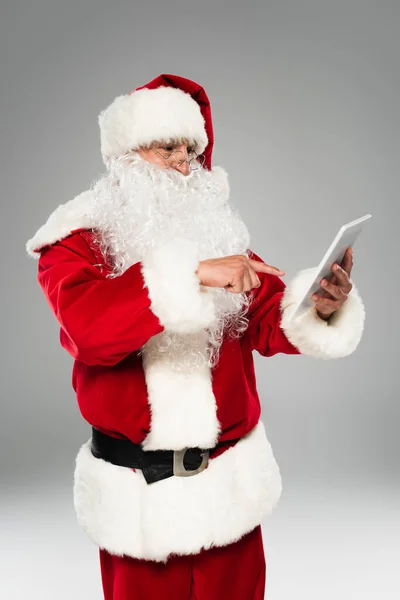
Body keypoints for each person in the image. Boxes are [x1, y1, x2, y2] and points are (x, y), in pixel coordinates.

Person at [26, 73, 366, 599]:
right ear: (125, 156)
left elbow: (266, 316)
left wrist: (317, 306)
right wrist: (189, 274)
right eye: (168, 148)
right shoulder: (73, 243)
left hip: (230, 492)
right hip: (140, 504)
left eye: (192, 149)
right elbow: (88, 329)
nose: (185, 165)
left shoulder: (218, 235)